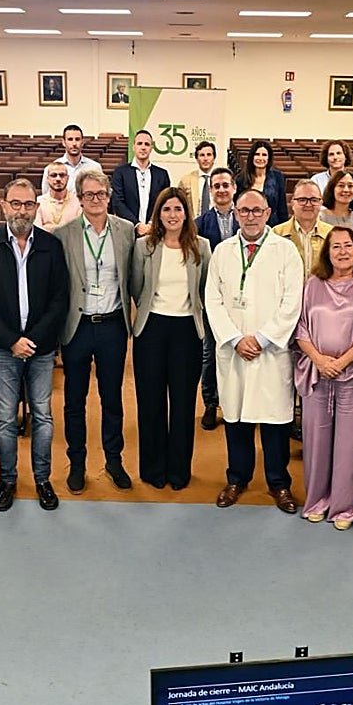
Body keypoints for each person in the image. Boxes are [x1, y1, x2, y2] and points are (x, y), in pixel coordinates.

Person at [204, 188, 304, 513]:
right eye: (244, 211)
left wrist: (261, 339)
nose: (250, 217)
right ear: (235, 213)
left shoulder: (286, 251)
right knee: (235, 416)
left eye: (256, 211)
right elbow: (213, 300)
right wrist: (235, 338)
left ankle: (279, 483)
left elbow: (292, 303)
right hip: (234, 350)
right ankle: (237, 478)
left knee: (275, 421)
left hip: (270, 352)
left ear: (268, 212)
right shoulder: (222, 251)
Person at [0, 179, 69, 512]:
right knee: (4, 418)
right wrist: (12, 340)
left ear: (36, 208)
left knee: (43, 416)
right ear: (4, 206)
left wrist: (35, 340)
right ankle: (7, 480)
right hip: (3, 348)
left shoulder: (51, 246)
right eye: (16, 203)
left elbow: (60, 300)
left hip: (41, 350)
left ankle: (43, 479)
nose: (22, 210)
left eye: (28, 205)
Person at [52, 169, 136, 493]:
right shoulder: (65, 234)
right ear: (80, 198)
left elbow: (134, 277)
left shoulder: (126, 231)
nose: (96, 200)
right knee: (75, 401)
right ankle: (77, 463)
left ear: (109, 195)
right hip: (78, 326)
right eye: (89, 195)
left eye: (101, 193)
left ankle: (114, 461)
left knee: (112, 399)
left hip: (113, 325)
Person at [294, 226, 353, 529]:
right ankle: (317, 500)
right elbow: (301, 329)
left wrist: (342, 361)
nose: (343, 251)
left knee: (350, 442)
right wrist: (319, 360)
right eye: (336, 247)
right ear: (326, 252)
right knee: (316, 439)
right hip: (316, 372)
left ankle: (344, 507)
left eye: (348, 245)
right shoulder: (311, 285)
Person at [130, 187, 211, 490]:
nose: (173, 215)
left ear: (186, 214)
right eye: (167, 210)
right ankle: (153, 469)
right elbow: (136, 287)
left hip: (187, 330)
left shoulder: (201, 247)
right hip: (151, 329)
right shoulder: (143, 247)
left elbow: (204, 290)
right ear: (158, 214)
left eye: (178, 209)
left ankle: (178, 471)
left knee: (182, 403)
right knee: (150, 402)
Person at [195, 167, 238, 430]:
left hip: (243, 297)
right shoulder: (199, 224)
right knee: (210, 353)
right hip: (211, 299)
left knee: (239, 351)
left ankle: (237, 403)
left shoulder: (246, 219)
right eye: (216, 186)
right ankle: (211, 403)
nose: (221, 190)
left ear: (234, 188)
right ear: (210, 191)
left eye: (226, 185)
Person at [110, 129, 171, 232]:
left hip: (154, 231)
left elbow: (164, 203)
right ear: (133, 147)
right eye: (139, 144)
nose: (143, 147)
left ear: (151, 148)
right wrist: (137, 225)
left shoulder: (162, 174)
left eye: (147, 144)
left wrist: (152, 223)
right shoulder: (120, 173)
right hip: (127, 229)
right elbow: (117, 202)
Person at [274, 179, 333, 276]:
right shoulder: (277, 233)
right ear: (292, 203)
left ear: (321, 203)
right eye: (302, 200)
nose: (308, 205)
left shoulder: (332, 234)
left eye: (314, 200)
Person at [236, 140, 288, 226]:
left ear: (268, 158)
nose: (260, 158)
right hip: (248, 225)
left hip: (273, 227)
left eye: (264, 155)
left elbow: (282, 207)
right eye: (257, 154)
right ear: (252, 157)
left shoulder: (277, 177)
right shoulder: (241, 179)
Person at [41, 125, 101, 193]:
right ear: (63, 142)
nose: (74, 143)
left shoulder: (95, 167)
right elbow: (46, 197)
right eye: (70, 139)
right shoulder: (51, 169)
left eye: (77, 139)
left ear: (82, 142)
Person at [310, 140, 353, 208]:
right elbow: (314, 203)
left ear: (345, 157)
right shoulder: (316, 179)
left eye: (339, 153)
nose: (335, 157)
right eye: (331, 154)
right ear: (326, 158)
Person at [176, 140, 217, 219]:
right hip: (193, 224)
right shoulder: (186, 180)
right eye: (202, 155)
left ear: (214, 158)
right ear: (197, 159)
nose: (205, 158)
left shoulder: (220, 179)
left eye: (209, 155)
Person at [36, 161, 82, 231]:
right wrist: (67, 228)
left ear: (67, 178)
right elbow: (38, 232)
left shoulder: (78, 201)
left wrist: (48, 227)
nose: (58, 179)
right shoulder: (38, 202)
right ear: (47, 179)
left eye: (62, 175)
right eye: (53, 175)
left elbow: (79, 230)